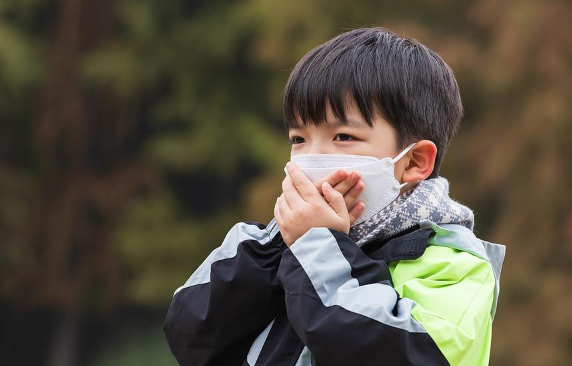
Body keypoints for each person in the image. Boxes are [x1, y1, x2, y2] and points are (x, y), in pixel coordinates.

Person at [164, 27, 505, 366]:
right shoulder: (266, 242)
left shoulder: (454, 266)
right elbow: (189, 334)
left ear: (414, 161)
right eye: (298, 139)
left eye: (342, 136)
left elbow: (399, 355)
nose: (313, 157)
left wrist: (318, 246)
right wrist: (283, 244)